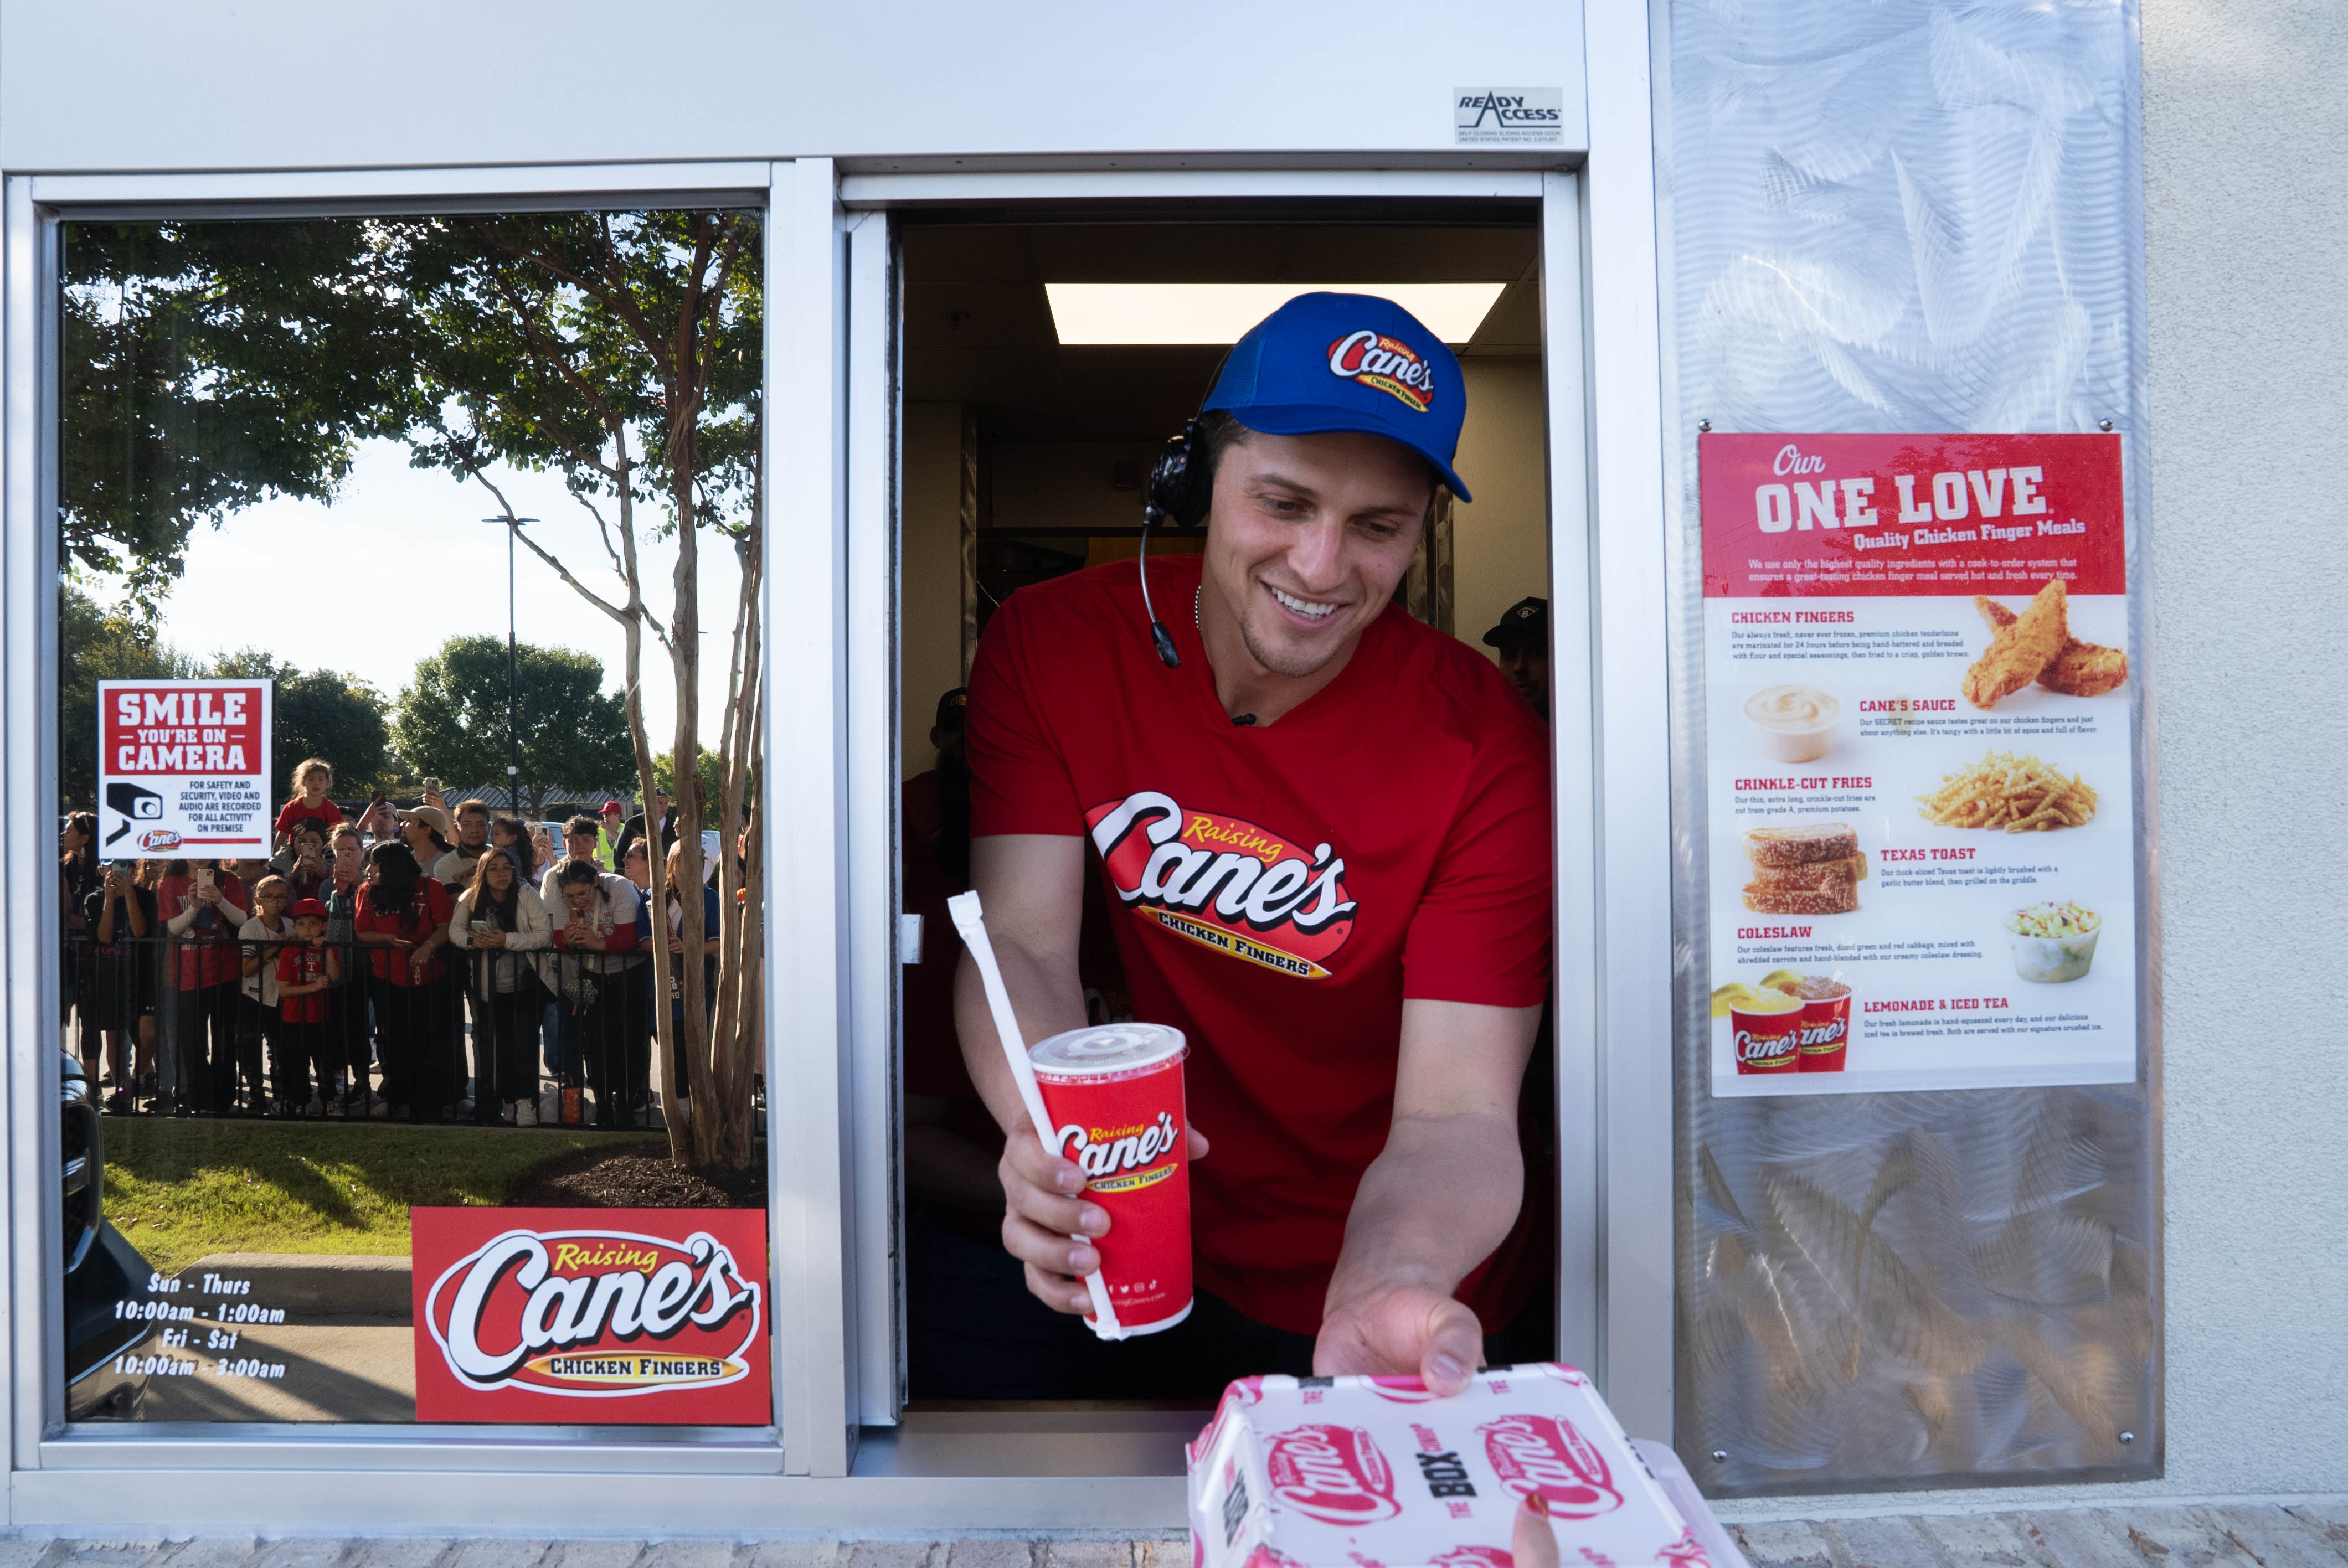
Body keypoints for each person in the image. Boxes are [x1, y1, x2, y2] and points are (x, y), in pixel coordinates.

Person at [957, 293, 1552, 1399]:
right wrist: (1053, 1148)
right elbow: (1017, 945)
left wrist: (1393, 1280)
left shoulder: (1486, 747)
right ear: (1194, 484)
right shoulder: (1053, 649)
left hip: (1399, 1272)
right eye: (1282, 503)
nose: (1322, 566)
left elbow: (1457, 1109)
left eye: (1378, 527)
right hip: (1134, 1236)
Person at [352, 840, 455, 1122]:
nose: (370, 869)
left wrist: (427, 947)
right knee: (393, 1039)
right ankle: (396, 1096)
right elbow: (362, 932)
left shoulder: (430, 887)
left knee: (428, 1040)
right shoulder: (367, 891)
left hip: (432, 976)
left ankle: (429, 1102)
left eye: (375, 863)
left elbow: (446, 927)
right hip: (388, 976)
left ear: (392, 866)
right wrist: (387, 939)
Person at [450, 847, 552, 1126]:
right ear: (483, 872)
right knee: (489, 1049)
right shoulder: (470, 897)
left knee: (524, 1047)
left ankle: (524, 1104)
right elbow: (455, 932)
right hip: (485, 989)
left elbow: (544, 936)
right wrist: (474, 941)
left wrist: (507, 940)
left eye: (507, 868)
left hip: (525, 987)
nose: (502, 874)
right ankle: (491, 1105)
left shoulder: (526, 894)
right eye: (494, 868)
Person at [547, 858, 651, 1128]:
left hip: (629, 974)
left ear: (595, 881)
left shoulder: (618, 887)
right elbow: (558, 937)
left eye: (582, 894)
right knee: (594, 1042)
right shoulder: (561, 893)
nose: (577, 900)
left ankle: (627, 1102)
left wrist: (597, 942)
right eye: (571, 896)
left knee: (629, 1041)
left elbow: (630, 939)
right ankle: (603, 1103)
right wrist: (569, 941)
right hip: (591, 973)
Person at [158, 859, 250, 1114]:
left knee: (225, 1041)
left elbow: (242, 919)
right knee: (192, 1042)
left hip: (226, 973)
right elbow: (173, 928)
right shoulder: (171, 881)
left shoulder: (228, 880)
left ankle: (223, 1100)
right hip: (188, 975)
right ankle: (198, 1099)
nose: (200, 856)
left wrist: (220, 900)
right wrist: (195, 907)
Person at [83, 860, 157, 1115]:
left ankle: (135, 1080)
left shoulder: (145, 897)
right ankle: (122, 1091)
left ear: (135, 870)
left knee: (148, 1034)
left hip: (140, 975)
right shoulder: (94, 899)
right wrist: (111, 899)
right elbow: (103, 936)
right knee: (114, 1035)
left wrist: (128, 895)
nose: (119, 871)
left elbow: (139, 931)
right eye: (113, 866)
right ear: (102, 870)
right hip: (109, 978)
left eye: (126, 866)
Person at [319, 824, 372, 1115]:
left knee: (361, 1028)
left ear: (362, 853)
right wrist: (340, 893)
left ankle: (363, 1083)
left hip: (367, 966)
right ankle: (338, 1083)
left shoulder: (371, 883)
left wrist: (356, 887)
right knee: (337, 1025)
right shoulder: (327, 885)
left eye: (352, 851)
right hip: (337, 966)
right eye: (341, 851)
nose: (346, 857)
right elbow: (329, 925)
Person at [274, 899, 341, 1117]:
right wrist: (314, 987)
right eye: (301, 924)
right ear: (294, 927)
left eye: (313, 923)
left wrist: (328, 948)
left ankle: (329, 1101)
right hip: (294, 1018)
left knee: (324, 1065)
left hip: (320, 1016)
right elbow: (284, 990)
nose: (307, 929)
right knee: (297, 1065)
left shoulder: (325, 948)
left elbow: (335, 976)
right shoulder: (289, 951)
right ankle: (302, 1102)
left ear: (323, 926)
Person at [235, 875, 295, 1115]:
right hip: (253, 996)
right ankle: (257, 1094)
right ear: (258, 899)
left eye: (280, 896)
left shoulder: (292, 925)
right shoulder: (250, 928)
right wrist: (275, 948)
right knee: (249, 1047)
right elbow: (247, 969)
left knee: (280, 1048)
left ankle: (281, 1096)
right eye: (269, 897)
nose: (275, 902)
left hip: (282, 995)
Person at [60, 812, 100, 1076]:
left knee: (92, 1021)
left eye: (70, 831)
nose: (64, 834)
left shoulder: (101, 868)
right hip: (65, 950)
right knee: (57, 1014)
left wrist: (84, 923)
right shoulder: (63, 866)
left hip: (95, 953)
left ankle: (90, 1081)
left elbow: (105, 917)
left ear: (85, 838)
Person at [1481, 596, 1551, 720]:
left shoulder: (1589, 733)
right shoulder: (1485, 733)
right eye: (1509, 655)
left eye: (1535, 653)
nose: (1519, 667)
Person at [273, 758, 345, 849]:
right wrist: (274, 860)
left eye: (320, 779)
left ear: (328, 783)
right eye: (311, 779)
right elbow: (282, 837)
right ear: (303, 782)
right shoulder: (291, 807)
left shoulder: (331, 809)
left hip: (323, 856)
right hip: (295, 856)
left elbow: (338, 837)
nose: (316, 783)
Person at [432, 799, 495, 890]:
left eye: (481, 824)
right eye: (467, 825)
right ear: (456, 829)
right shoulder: (446, 865)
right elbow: (457, 902)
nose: (475, 830)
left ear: (489, 828)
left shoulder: (502, 857)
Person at [615, 790, 676, 868]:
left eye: (666, 803)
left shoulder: (674, 824)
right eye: (659, 803)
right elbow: (620, 852)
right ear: (649, 803)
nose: (663, 807)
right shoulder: (633, 824)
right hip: (639, 874)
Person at [490, 814, 540, 885]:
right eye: (492, 835)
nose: (493, 838)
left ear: (513, 838)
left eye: (497, 834)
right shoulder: (520, 852)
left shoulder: (508, 855)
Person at [595, 800, 628, 869]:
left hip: (621, 870)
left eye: (608, 814)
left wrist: (608, 829)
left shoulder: (626, 828)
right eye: (604, 814)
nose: (605, 817)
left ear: (618, 816)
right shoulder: (597, 831)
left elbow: (623, 842)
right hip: (602, 871)